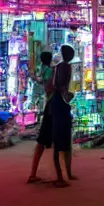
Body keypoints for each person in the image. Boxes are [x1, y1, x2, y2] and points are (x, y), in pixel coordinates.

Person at [49, 45, 77, 188]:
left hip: (59, 105)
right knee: (61, 143)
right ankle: (63, 174)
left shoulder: (61, 67)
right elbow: (60, 85)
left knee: (63, 143)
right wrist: (67, 94)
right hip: (60, 106)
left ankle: (65, 173)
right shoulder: (63, 67)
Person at [27, 51, 55, 184]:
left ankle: (35, 173)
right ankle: (59, 175)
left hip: (47, 102)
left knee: (43, 141)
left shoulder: (42, 69)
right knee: (49, 141)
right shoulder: (50, 71)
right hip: (51, 105)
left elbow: (40, 81)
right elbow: (50, 87)